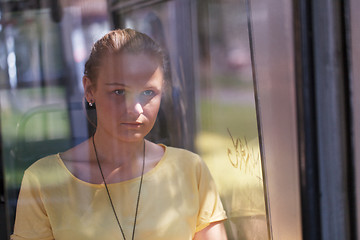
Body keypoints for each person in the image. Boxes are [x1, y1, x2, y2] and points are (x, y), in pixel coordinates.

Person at [10, 29, 227, 240]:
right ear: (89, 90)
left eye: (148, 93)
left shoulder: (191, 170)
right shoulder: (43, 181)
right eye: (119, 92)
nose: (136, 109)